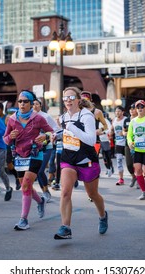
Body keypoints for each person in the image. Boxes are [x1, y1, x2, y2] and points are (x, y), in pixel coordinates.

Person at [53, 87, 108, 239]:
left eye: (71, 97)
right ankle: (66, 227)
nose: (68, 100)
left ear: (77, 99)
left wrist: (72, 128)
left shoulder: (87, 116)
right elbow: (66, 134)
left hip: (86, 158)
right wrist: (54, 136)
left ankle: (103, 216)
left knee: (92, 194)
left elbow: (90, 140)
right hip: (68, 158)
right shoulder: (63, 117)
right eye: (65, 98)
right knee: (65, 192)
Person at [3, 91, 53, 230]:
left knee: (25, 186)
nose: (22, 104)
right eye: (20, 101)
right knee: (27, 187)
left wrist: (45, 136)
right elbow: (5, 139)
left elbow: (51, 132)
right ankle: (40, 201)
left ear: (31, 104)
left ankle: (23, 219)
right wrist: (10, 137)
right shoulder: (12, 119)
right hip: (19, 156)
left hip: (35, 154)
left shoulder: (38, 118)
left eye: (25, 101)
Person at [33, 98, 60, 202]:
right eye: (33, 104)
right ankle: (44, 191)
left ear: (40, 106)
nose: (34, 106)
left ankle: (46, 192)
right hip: (34, 148)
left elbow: (56, 129)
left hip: (46, 147)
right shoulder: (30, 117)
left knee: (40, 170)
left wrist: (48, 136)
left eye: (36, 104)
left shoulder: (46, 116)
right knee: (37, 171)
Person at [123, 103, 138, 188]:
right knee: (129, 164)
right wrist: (126, 133)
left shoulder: (140, 119)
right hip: (128, 144)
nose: (131, 110)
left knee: (137, 164)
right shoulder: (126, 120)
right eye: (130, 109)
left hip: (138, 144)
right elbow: (123, 131)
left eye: (133, 109)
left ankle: (139, 180)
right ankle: (133, 177)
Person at [110, 106, 127, 185]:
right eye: (116, 111)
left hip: (127, 144)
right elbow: (112, 129)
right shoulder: (114, 120)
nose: (117, 113)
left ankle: (135, 177)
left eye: (119, 111)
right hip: (118, 144)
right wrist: (111, 132)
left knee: (130, 162)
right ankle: (121, 179)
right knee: (119, 160)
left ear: (122, 112)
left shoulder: (126, 120)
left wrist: (124, 134)